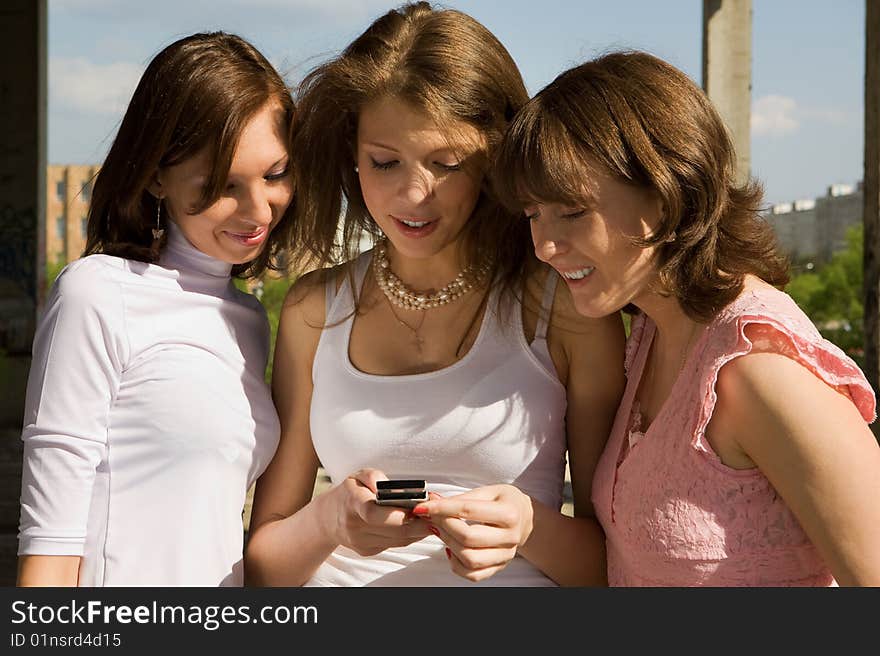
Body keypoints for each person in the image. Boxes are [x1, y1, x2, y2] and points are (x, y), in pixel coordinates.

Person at [244, 1, 625, 587]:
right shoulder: (312, 309)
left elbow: (614, 566)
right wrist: (330, 521)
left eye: (446, 164)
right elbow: (265, 567)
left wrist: (527, 526)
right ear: (352, 155)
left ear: (494, 159)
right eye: (385, 162)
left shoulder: (566, 309)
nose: (414, 195)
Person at [490, 50, 880, 586]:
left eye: (572, 211)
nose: (544, 245)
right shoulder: (654, 329)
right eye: (533, 215)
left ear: (667, 190)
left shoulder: (761, 370)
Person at [16, 31, 295, 586]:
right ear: (157, 177)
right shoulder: (96, 294)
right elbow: (51, 539)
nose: (258, 208)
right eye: (222, 184)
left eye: (275, 174)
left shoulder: (248, 320)